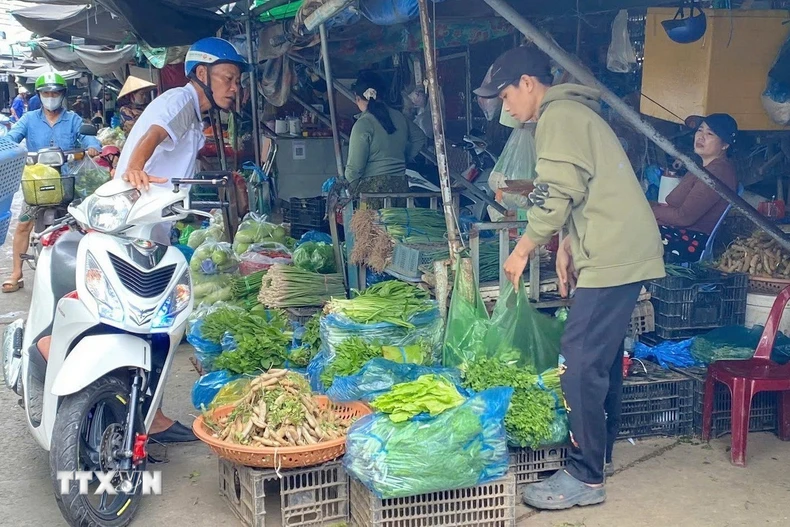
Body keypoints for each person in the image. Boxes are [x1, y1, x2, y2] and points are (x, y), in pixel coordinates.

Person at [474, 46, 665, 510]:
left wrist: (523, 249)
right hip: (616, 246)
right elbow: (581, 189)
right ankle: (599, 457)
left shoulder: (558, 116)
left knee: (578, 359)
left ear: (528, 84)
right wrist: (568, 245)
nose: (505, 108)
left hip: (615, 252)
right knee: (597, 358)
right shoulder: (572, 114)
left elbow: (557, 192)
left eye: (505, 96)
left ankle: (585, 475)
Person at [114, 37, 248, 443]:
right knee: (148, 323)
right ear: (201, 74)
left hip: (151, 230)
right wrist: (135, 168)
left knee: (151, 324)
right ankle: (141, 416)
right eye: (228, 78)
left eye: (237, 82)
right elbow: (152, 137)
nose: (233, 88)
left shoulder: (193, 114)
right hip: (132, 230)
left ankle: (143, 412)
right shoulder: (177, 101)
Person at [2, 73, 102, 293]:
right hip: (35, 184)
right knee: (23, 225)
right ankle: (17, 273)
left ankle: (87, 270)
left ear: (62, 95)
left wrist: (93, 146)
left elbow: (88, 137)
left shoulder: (73, 119)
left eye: (55, 93)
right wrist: (10, 148)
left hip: (67, 183)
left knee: (84, 223)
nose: (50, 97)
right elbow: (12, 138)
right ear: (39, 95)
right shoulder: (28, 119)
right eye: (46, 93)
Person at [653, 114, 739, 263]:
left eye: (710, 133)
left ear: (725, 145)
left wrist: (646, 211)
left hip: (690, 241)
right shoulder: (703, 167)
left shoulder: (717, 171)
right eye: (700, 130)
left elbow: (683, 217)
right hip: (677, 231)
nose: (701, 136)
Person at [344, 72, 426, 205]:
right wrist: (403, 157)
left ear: (357, 98)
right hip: (400, 187)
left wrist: (351, 186)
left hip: (373, 191)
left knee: (374, 226)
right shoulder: (399, 117)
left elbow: (354, 169)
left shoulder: (363, 124)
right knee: (398, 225)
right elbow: (419, 138)